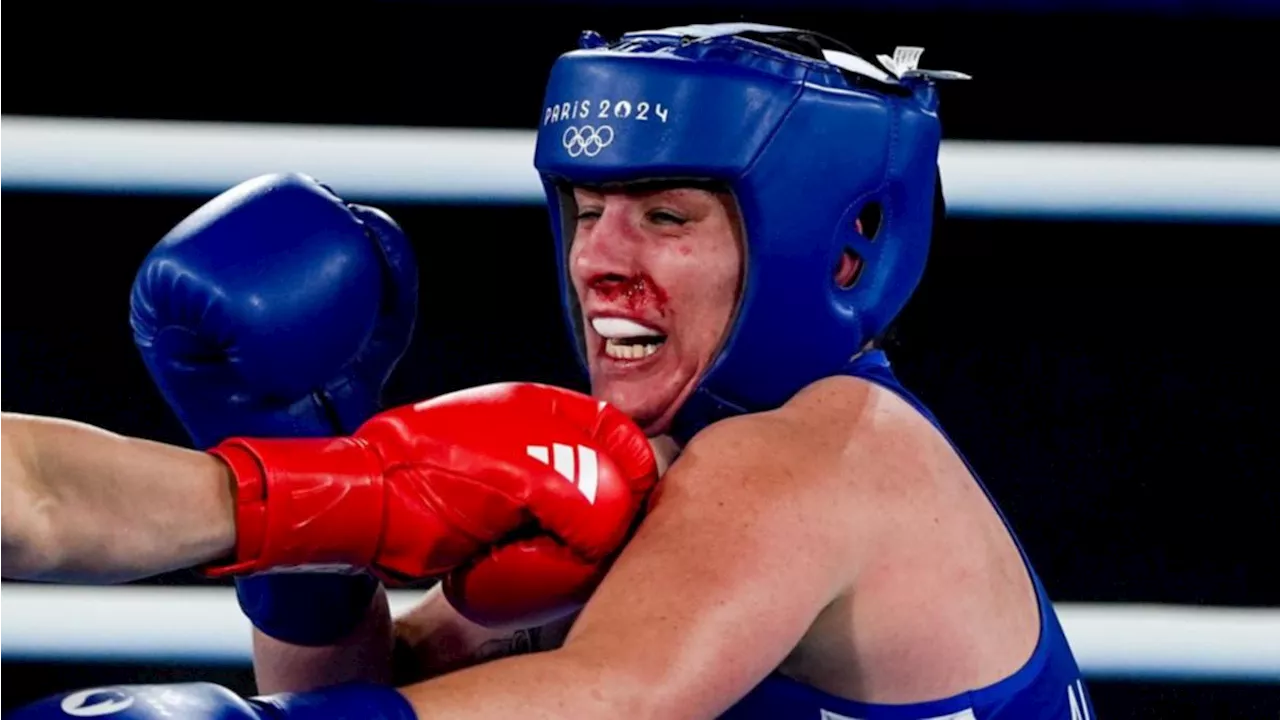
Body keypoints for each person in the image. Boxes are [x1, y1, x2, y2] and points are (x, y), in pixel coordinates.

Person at [0, 22, 1096, 719]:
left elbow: (604, 701)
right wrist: (307, 531)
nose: (598, 263)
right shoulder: (622, 475)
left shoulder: (822, 458)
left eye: (664, 217)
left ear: (842, 249)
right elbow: (375, 697)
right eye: (583, 211)